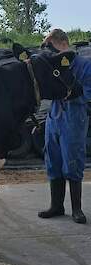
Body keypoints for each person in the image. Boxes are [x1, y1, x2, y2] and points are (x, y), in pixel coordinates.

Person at [38, 29, 91, 224]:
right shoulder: (54, 66)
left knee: (73, 159)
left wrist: (77, 93)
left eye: (50, 46)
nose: (49, 51)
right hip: (54, 117)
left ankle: (76, 209)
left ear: (63, 44)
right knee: (53, 159)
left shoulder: (84, 65)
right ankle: (57, 206)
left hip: (74, 117)